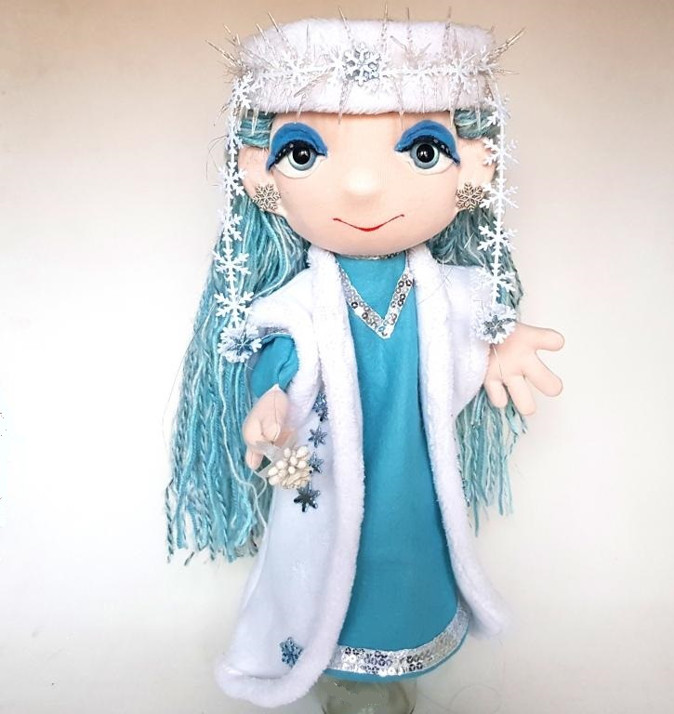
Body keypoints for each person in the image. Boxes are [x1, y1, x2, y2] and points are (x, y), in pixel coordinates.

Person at [166, 15, 564, 709]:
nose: (358, 185)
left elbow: (476, 320)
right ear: (260, 176)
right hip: (326, 474)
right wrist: (271, 400)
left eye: (423, 150)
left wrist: (501, 340)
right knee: (330, 565)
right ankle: (340, 672)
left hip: (410, 475)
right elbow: (280, 350)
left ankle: (392, 671)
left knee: (405, 559)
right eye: (302, 152)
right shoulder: (298, 300)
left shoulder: (450, 291)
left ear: (477, 168)